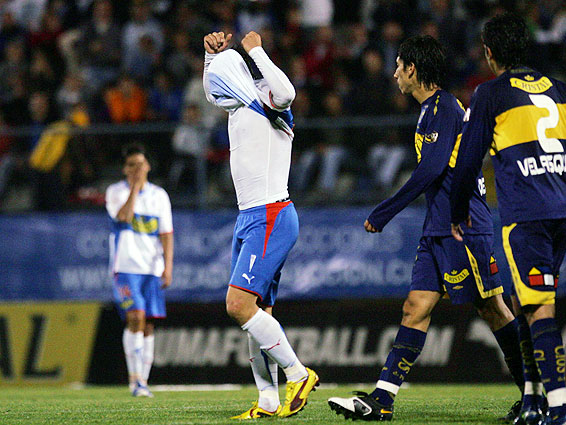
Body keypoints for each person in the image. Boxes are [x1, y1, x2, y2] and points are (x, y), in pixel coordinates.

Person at [327, 35, 524, 422]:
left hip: (464, 225)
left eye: (399, 66)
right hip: (438, 226)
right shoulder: (430, 110)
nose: (395, 74)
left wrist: (384, 211)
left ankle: (535, 395)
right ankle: (382, 400)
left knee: (493, 309)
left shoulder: (444, 108)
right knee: (415, 308)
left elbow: (432, 169)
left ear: (412, 69)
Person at [450, 13, 566, 425]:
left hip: (528, 217)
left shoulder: (490, 94)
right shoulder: (559, 90)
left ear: (489, 52)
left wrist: (457, 210)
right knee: (524, 301)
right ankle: (532, 400)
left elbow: (469, 159)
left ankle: (559, 409)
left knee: (539, 307)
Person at [202, 31, 319, 419]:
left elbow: (287, 92)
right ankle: (267, 401)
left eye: (223, 75)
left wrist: (255, 50)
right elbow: (211, 92)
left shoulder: (266, 98)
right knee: (256, 313)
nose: (218, 86)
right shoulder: (237, 106)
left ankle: (298, 374)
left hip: (270, 214)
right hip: (250, 217)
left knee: (237, 305)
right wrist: (210, 57)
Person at [105, 143, 174, 397]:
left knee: (148, 324)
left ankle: (143, 380)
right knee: (135, 316)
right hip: (125, 266)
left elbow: (166, 234)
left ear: (148, 166)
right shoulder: (115, 192)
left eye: (140, 165)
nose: (137, 169)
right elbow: (123, 217)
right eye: (131, 165)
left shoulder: (160, 196)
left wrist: (168, 267)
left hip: (152, 268)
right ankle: (134, 380)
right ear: (125, 169)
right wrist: (134, 189)